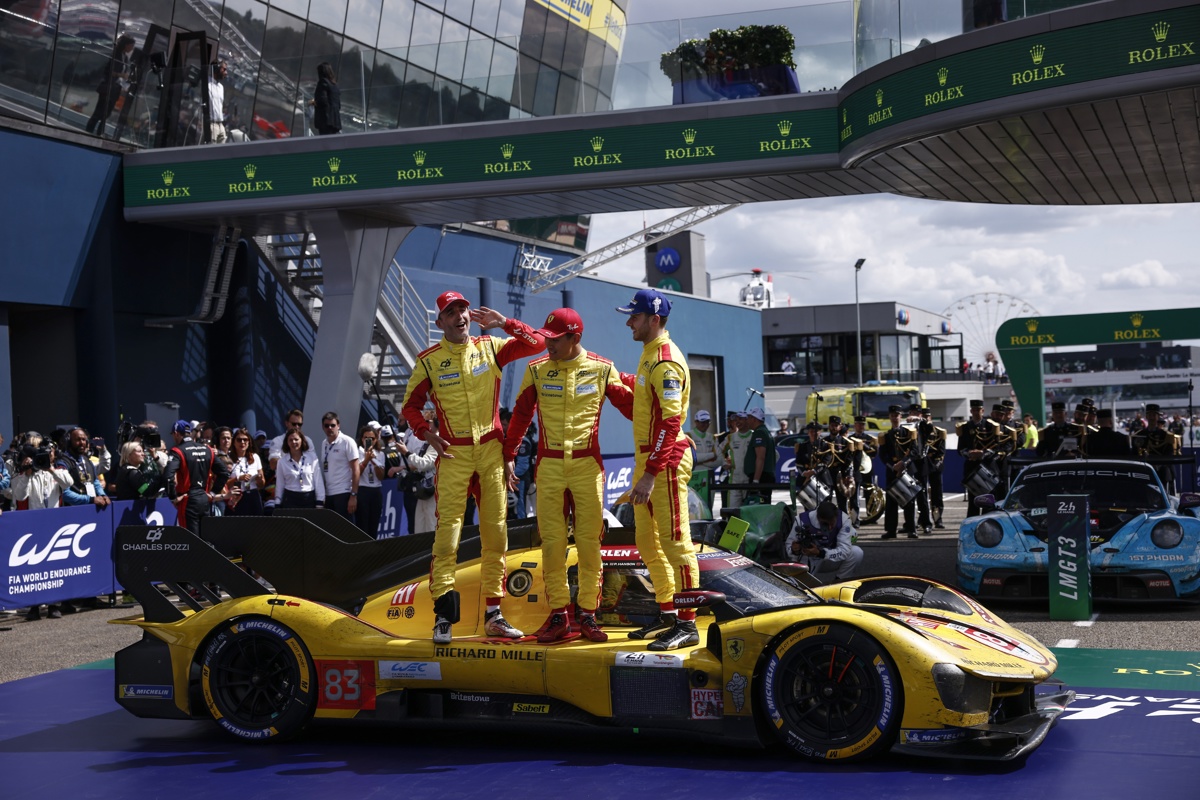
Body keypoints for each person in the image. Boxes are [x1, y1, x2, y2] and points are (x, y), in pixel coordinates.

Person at [401, 290, 545, 644]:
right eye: (451, 312)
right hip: (454, 454)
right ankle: (443, 617)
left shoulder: (491, 346)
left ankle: (494, 614)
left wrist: (505, 323)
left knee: (496, 532)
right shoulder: (429, 361)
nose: (460, 317)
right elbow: (410, 407)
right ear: (440, 323)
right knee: (448, 533)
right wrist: (427, 434)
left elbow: (538, 343)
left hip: (491, 452)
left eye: (463, 310)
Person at [504, 308, 633, 644]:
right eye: (546, 338)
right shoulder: (536, 369)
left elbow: (632, 408)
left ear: (575, 338)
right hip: (548, 465)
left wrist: (668, 426)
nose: (548, 345)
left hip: (587, 465)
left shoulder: (603, 368)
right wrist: (508, 456)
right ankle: (559, 615)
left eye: (555, 340)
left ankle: (589, 615)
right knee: (552, 544)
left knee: (590, 543)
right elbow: (519, 415)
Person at [616, 289, 701, 651]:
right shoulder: (649, 355)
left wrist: (651, 474)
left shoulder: (665, 360)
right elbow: (645, 407)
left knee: (676, 544)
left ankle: (688, 623)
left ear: (654, 319)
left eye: (633, 316)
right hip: (649, 461)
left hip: (662, 464)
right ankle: (668, 613)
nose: (628, 321)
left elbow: (669, 423)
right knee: (647, 545)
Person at [784, 501, 864, 582]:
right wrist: (794, 550)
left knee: (856, 552)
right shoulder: (801, 520)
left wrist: (820, 553)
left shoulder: (843, 520)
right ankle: (801, 584)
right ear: (818, 517)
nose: (829, 527)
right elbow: (788, 547)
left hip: (830, 556)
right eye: (825, 524)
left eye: (832, 524)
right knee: (800, 584)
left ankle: (839, 582)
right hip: (808, 558)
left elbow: (845, 550)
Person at [85, 34, 135, 137]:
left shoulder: (125, 58)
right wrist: (120, 75)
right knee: (99, 112)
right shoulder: (115, 55)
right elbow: (108, 71)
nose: (132, 49)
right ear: (126, 45)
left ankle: (100, 133)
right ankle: (89, 131)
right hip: (107, 87)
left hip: (115, 89)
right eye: (131, 46)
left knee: (106, 114)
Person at [57, 426, 112, 511]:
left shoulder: (87, 460)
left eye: (83, 440)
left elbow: (95, 481)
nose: (82, 442)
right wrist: (91, 499)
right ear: (69, 442)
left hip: (90, 508)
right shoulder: (63, 462)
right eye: (77, 440)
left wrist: (102, 495)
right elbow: (65, 494)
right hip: (72, 512)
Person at [318, 412, 359, 521]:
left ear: (338, 426)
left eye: (333, 425)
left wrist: (353, 495)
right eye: (326, 425)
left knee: (346, 531)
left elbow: (356, 469)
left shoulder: (347, 441)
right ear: (323, 427)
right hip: (329, 494)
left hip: (344, 493)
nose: (329, 428)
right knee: (332, 530)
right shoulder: (324, 443)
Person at [276, 428, 324, 508]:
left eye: (296, 439)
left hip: (309, 498)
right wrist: (277, 502)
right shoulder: (282, 462)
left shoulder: (312, 458)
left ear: (302, 440)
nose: (293, 442)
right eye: (290, 440)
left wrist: (320, 500)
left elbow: (318, 480)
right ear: (287, 443)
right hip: (290, 499)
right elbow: (280, 484)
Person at [743, 406, 777, 504]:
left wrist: (756, 480)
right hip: (764, 476)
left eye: (748, 418)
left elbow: (760, 457)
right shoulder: (765, 431)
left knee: (759, 506)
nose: (747, 421)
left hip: (762, 477)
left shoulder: (760, 433)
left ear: (754, 419)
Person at [228, 428, 265, 515]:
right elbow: (225, 484)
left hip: (253, 494)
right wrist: (238, 478)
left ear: (249, 442)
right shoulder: (228, 458)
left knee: (257, 524)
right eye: (239, 440)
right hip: (237, 495)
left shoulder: (255, 457)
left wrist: (259, 479)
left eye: (245, 440)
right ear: (234, 442)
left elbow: (262, 483)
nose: (242, 442)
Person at [356, 424, 385, 536]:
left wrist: (374, 461)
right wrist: (366, 460)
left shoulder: (380, 454)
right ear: (361, 439)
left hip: (376, 490)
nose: (369, 441)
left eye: (372, 439)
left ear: (376, 439)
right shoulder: (357, 452)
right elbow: (357, 473)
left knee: (374, 524)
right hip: (362, 490)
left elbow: (381, 476)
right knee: (362, 525)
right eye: (366, 438)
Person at [311, 61, 342, 135]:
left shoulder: (323, 82)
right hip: (335, 120)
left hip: (325, 119)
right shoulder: (334, 85)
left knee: (325, 142)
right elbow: (338, 104)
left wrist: (312, 102)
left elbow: (322, 100)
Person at [690, 409, 720, 476]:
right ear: (696, 422)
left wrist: (700, 460)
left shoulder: (713, 437)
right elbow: (691, 458)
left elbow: (719, 460)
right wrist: (712, 455)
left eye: (707, 422)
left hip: (709, 474)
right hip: (694, 474)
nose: (705, 424)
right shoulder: (689, 435)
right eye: (703, 422)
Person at [207, 60, 229, 143]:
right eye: (224, 69)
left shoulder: (221, 87)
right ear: (216, 70)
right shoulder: (207, 84)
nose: (226, 73)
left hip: (221, 124)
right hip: (212, 124)